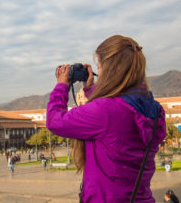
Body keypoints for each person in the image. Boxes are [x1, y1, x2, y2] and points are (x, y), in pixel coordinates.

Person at [47, 35, 166, 202]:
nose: (98, 73)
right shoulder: (155, 110)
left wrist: (61, 86)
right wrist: (90, 90)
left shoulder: (105, 111)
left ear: (110, 70)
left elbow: (54, 121)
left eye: (99, 67)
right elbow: (117, 119)